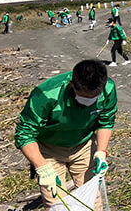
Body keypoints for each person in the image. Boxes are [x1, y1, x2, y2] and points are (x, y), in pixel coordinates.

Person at [14, 59, 116, 211]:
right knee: (56, 202)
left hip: (83, 146)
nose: (89, 101)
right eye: (84, 96)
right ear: (72, 85)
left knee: (92, 199)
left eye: (94, 97)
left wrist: (101, 152)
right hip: (49, 149)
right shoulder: (47, 94)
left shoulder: (108, 88)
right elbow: (25, 133)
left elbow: (106, 122)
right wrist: (42, 168)